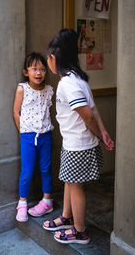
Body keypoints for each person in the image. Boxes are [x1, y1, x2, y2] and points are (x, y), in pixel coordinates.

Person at [43, 29, 114, 244]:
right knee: (69, 181)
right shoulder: (79, 79)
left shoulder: (67, 84)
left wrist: (101, 135)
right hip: (76, 144)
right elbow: (94, 110)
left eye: (48, 58)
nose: (48, 62)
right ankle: (66, 216)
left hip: (78, 146)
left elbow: (88, 115)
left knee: (75, 186)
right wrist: (103, 133)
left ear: (54, 59)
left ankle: (80, 231)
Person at [13, 52, 54, 222]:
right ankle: (22, 203)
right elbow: (16, 112)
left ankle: (47, 200)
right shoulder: (22, 89)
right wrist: (23, 132)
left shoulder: (49, 90)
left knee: (46, 168)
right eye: (34, 69)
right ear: (26, 71)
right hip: (28, 136)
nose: (39, 73)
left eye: (42, 69)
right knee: (27, 170)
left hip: (46, 135)